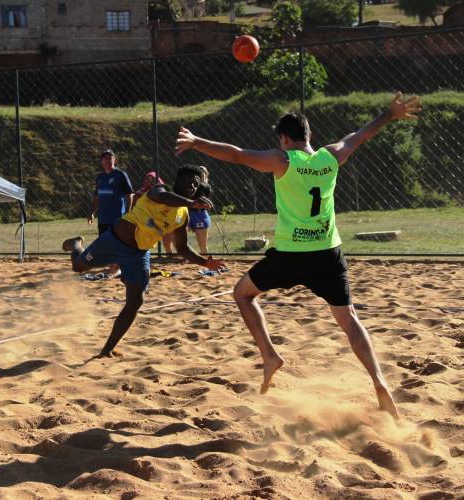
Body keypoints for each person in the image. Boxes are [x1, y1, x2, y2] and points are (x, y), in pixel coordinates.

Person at [175, 92, 422, 419]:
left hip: (290, 255)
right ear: (310, 136)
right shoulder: (330, 157)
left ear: (283, 138)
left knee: (243, 295)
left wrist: (195, 142)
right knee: (349, 320)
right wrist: (389, 114)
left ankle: (270, 356)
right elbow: (361, 135)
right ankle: (378, 380)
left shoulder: (282, 160)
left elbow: (235, 155)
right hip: (328, 254)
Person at [63, 165, 226, 358]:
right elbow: (164, 198)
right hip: (114, 241)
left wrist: (205, 263)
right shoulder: (160, 190)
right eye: (188, 180)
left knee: (135, 301)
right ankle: (76, 245)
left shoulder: (183, 214)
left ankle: (106, 350)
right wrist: (192, 203)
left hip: (138, 254)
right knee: (77, 267)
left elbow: (182, 248)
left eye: (196, 183)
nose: (192, 185)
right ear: (177, 181)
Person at [88, 149, 134, 277]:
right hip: (103, 217)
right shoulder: (100, 177)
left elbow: (130, 194)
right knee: (106, 242)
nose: (108, 160)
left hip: (117, 217)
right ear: (101, 161)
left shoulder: (120, 175)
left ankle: (116, 268)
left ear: (114, 160)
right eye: (105, 158)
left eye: (110, 158)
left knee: (117, 242)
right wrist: (92, 212)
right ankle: (112, 267)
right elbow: (97, 197)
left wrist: (128, 212)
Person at [134, 171, 175, 254]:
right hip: (147, 219)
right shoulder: (141, 192)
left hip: (162, 217)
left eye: (152, 180)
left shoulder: (164, 192)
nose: (149, 182)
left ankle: (176, 253)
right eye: (147, 180)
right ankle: (143, 253)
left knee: (169, 234)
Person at [189, 165, 212, 255]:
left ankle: (205, 259)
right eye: (199, 172)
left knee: (202, 245)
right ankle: (186, 256)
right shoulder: (190, 185)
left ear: (206, 175)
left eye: (204, 173)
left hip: (200, 215)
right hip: (188, 214)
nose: (201, 174)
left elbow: (207, 202)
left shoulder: (206, 187)